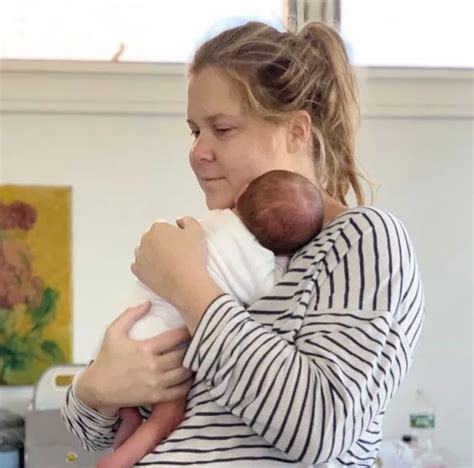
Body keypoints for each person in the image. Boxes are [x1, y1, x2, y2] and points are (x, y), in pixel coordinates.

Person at [62, 20, 424, 467]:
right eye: (195, 131)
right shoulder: (215, 247)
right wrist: (96, 389)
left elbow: (320, 427)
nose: (198, 152)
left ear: (296, 130)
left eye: (222, 129)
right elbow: (91, 435)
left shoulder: (362, 240)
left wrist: (188, 285)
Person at [96, 169, 324, 468]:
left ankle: (126, 421)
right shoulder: (259, 259)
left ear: (241, 196)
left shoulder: (213, 222)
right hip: (161, 344)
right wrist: (282, 263)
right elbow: (265, 290)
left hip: (124, 330)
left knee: (128, 401)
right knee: (167, 414)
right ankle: (118, 460)